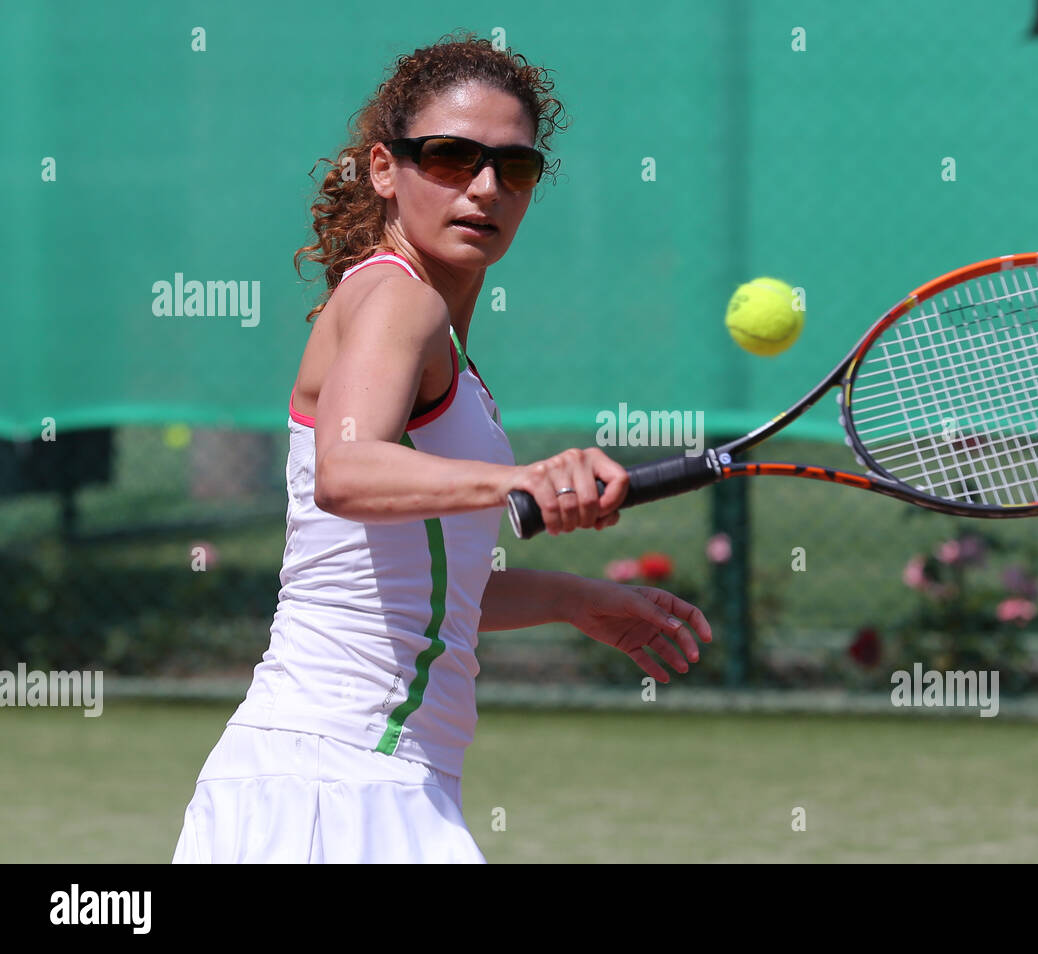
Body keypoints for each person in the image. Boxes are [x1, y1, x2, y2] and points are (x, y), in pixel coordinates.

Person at [172, 33, 711, 864]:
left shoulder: (430, 329)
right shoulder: (398, 300)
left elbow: (402, 589)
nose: (486, 187)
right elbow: (346, 475)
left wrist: (570, 598)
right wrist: (520, 478)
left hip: (344, 779)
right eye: (453, 158)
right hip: (334, 784)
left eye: (515, 167)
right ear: (385, 169)